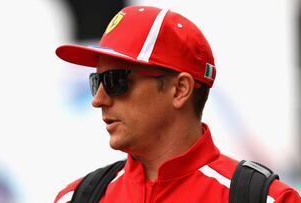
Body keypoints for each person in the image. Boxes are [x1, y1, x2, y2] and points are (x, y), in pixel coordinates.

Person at [54, 5, 301, 203]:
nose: (98, 100)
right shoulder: (75, 198)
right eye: (96, 80)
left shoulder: (268, 199)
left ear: (180, 89)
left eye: (114, 81)